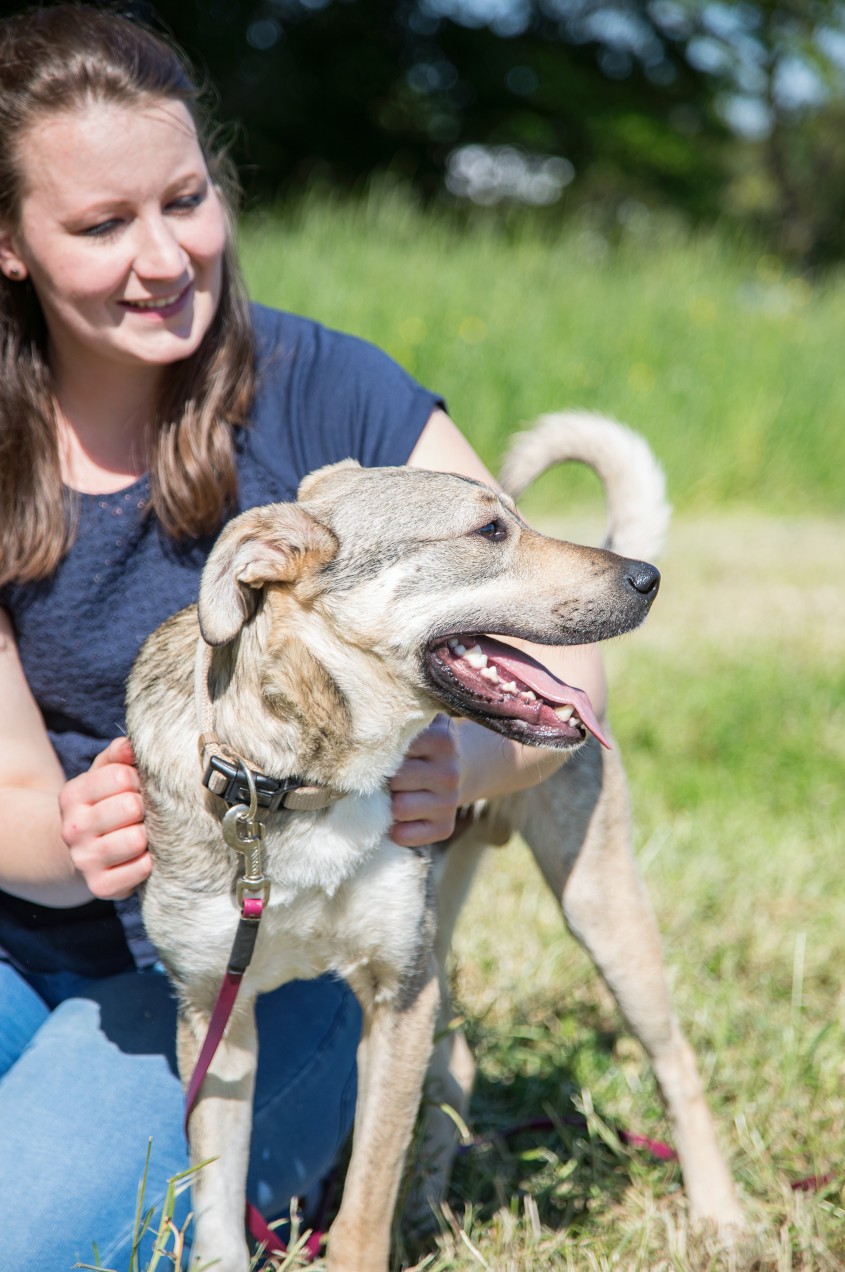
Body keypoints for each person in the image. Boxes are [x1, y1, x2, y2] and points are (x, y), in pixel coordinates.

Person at [0, 5, 606, 1267]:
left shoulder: (330, 390)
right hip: (31, 941)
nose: (165, 257)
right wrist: (68, 834)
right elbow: (13, 796)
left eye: (186, 198)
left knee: (33, 1235)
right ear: (9, 245)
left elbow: (564, 664)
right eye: (103, 225)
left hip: (278, 974)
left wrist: (469, 768)